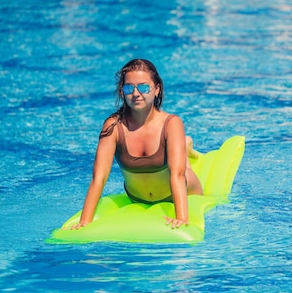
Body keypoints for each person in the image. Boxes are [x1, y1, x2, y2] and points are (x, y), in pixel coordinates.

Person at [72, 59, 203, 230]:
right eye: (129, 88)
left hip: (178, 192)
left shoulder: (171, 123)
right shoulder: (113, 126)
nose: (136, 93)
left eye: (143, 87)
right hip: (137, 198)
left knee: (183, 166)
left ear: (157, 89)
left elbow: (177, 175)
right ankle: (182, 146)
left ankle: (184, 147)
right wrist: (85, 222)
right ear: (122, 92)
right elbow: (99, 178)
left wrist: (182, 218)